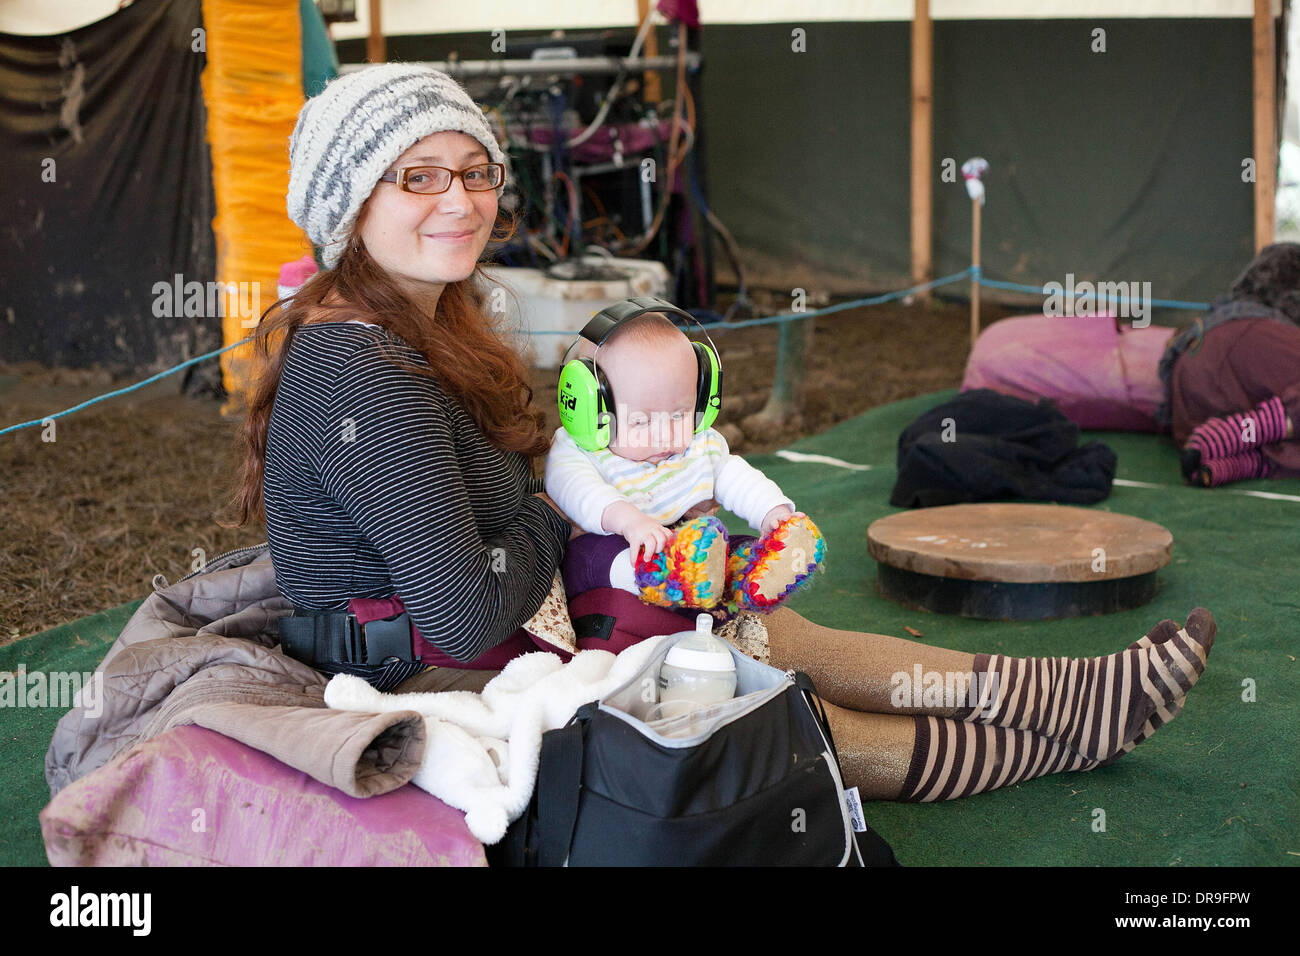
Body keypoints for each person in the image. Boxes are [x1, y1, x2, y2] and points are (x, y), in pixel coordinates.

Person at [227, 63, 1216, 805]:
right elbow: (462, 613)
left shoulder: (422, 327)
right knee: (766, 700)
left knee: (775, 629)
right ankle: (1057, 736)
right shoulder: (360, 364)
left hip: (514, 616)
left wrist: (594, 522)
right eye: (416, 177)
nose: (459, 198)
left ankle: (1070, 691)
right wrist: (560, 519)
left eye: (473, 169)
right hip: (442, 663)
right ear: (349, 208)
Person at [545, 310, 826, 614]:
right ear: (590, 409)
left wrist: (772, 511)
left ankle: (754, 571)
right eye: (641, 421)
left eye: (679, 414)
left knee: (725, 543)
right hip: (613, 543)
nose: (666, 436)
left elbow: (733, 475)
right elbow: (580, 491)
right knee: (597, 557)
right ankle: (673, 577)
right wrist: (631, 522)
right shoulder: (579, 450)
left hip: (684, 545)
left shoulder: (697, 443)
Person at [1160, 242, 1300, 486]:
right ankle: (1262, 428)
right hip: (1253, 347)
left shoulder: (1205, 328)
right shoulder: (1270, 329)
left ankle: (1248, 459)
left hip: (1189, 403)